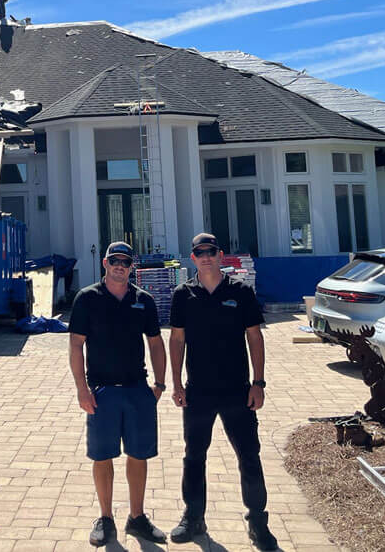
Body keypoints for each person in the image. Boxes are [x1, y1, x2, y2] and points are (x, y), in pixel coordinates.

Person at [168, 233, 277, 550]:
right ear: (193, 258)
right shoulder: (183, 294)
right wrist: (176, 383)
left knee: (249, 456)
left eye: (210, 252)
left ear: (220, 255)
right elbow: (177, 341)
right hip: (198, 391)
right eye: (199, 252)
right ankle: (194, 516)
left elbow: (255, 337)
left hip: (237, 391)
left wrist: (258, 383)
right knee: (194, 457)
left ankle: (258, 521)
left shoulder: (240, 292)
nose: (205, 257)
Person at [69, 241, 168, 547]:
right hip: (102, 392)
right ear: (105, 263)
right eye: (115, 260)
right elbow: (75, 345)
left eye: (125, 262)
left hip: (138, 390)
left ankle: (137, 518)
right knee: (103, 457)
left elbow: (155, 343)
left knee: (138, 455)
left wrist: (160, 385)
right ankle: (106, 518)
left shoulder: (144, 300)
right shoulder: (87, 299)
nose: (120, 266)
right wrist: (82, 390)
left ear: (131, 266)